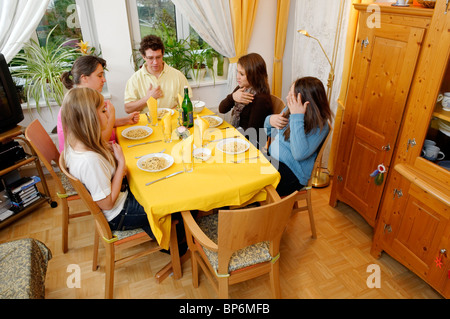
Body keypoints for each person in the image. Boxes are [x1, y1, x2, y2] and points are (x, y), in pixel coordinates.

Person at [61, 88, 187, 256]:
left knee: (163, 182)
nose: (108, 115)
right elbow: (107, 204)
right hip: (120, 213)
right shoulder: (89, 161)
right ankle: (177, 246)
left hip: (121, 198)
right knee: (177, 199)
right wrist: (120, 165)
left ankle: (170, 234)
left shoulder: (77, 144)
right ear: (90, 119)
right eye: (104, 111)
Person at [264, 77, 332, 197]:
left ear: (306, 101)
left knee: (252, 184)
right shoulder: (289, 110)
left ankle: (256, 212)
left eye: (292, 96)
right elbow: (269, 133)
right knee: (243, 170)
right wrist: (270, 120)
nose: (287, 98)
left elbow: (299, 154)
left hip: (293, 173)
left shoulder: (320, 127)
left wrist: (297, 117)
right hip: (273, 159)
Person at [58, 55, 139, 151]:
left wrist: (125, 120)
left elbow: (99, 124)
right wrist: (112, 115)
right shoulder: (79, 106)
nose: (104, 79)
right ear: (84, 78)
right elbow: (100, 141)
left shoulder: (87, 98)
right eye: (99, 75)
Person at [124, 35, 192, 113]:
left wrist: (173, 111)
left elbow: (186, 103)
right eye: (150, 58)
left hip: (172, 121)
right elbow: (128, 109)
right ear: (143, 56)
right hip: (147, 123)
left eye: (158, 57)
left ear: (163, 55)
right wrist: (148, 98)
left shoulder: (178, 75)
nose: (155, 62)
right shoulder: (135, 79)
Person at [218, 53, 272, 144]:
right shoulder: (242, 88)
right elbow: (221, 109)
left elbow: (251, 135)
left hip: (251, 144)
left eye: (242, 74)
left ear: (254, 76)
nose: (237, 77)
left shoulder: (261, 100)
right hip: (239, 136)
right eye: (237, 72)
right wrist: (233, 97)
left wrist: (229, 137)